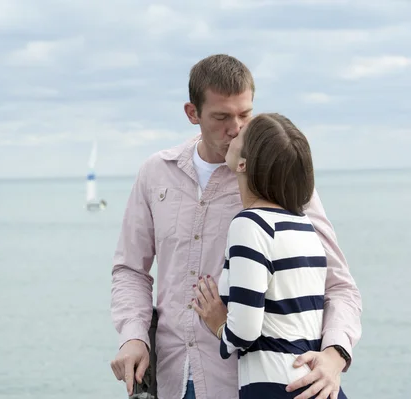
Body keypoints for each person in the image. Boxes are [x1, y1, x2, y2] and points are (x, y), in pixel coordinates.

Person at [109, 54, 362, 399]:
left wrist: (335, 355)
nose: (236, 128)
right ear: (192, 113)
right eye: (221, 117)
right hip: (172, 377)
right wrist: (134, 336)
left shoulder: (280, 179)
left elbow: (338, 284)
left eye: (245, 114)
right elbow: (130, 270)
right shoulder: (155, 173)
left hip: (248, 384)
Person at [192, 113, 347, 399]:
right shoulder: (303, 225)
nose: (234, 131)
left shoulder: (250, 224)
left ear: (243, 164)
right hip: (314, 384)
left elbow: (245, 331)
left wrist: (219, 325)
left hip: (277, 386)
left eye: (240, 135)